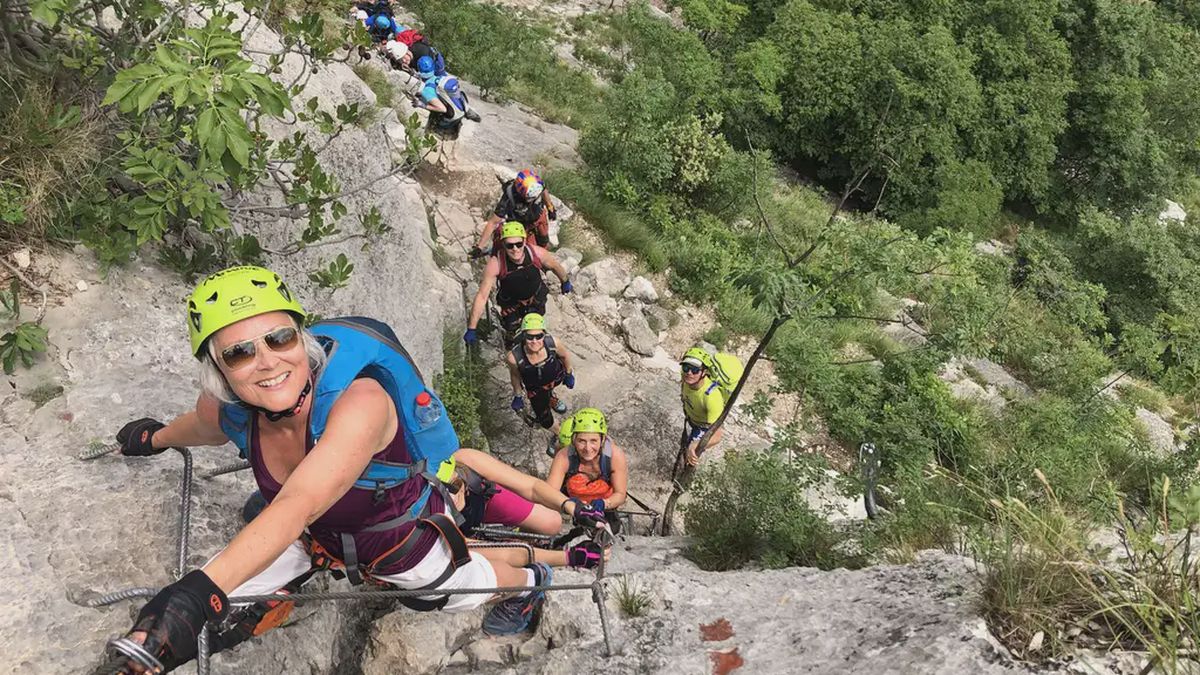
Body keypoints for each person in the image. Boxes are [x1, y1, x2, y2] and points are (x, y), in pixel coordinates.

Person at [97, 266, 611, 672]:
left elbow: (298, 503)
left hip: (397, 540)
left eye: (280, 338)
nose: (267, 361)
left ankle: (533, 579)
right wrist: (154, 439)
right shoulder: (230, 408)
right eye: (239, 352)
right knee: (215, 590)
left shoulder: (361, 402)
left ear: (301, 339)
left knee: (452, 590)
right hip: (315, 535)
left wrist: (193, 598)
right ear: (218, 370)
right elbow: (201, 426)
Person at [440, 451, 605, 570]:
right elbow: (507, 555)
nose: (453, 497)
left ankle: (518, 536)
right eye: (444, 495)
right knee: (502, 571)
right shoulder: (433, 518)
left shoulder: (466, 460)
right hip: (455, 533)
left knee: (552, 522)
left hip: (483, 502)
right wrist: (570, 557)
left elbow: (531, 486)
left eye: (455, 485)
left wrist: (572, 506)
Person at [464, 221, 572, 349]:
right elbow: (482, 296)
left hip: (535, 298)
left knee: (534, 330)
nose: (515, 249)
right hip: (511, 304)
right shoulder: (496, 264)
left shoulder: (536, 253)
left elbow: (555, 266)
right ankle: (513, 345)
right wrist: (472, 328)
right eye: (510, 245)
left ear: (524, 241)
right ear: (503, 245)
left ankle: (535, 350)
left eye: (518, 244)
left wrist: (565, 281)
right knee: (512, 332)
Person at [547, 408, 629, 533]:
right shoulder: (564, 457)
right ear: (574, 440)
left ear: (602, 439)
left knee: (610, 530)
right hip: (573, 505)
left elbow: (620, 494)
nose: (588, 448)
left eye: (593, 441)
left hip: (606, 506)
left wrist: (604, 503)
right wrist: (568, 504)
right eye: (582, 441)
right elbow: (548, 493)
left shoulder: (615, 456)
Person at [505, 313, 575, 432]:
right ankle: (557, 431)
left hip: (555, 377)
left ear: (544, 335)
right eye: (530, 337)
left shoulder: (553, 344)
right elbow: (515, 376)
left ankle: (551, 398)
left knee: (548, 392)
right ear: (523, 335)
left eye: (539, 336)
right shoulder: (514, 357)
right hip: (536, 388)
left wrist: (569, 373)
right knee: (544, 417)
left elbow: (565, 356)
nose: (534, 341)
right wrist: (518, 395)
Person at [470, 169, 556, 257]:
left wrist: (550, 208)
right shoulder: (509, 198)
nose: (533, 199)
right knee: (522, 248)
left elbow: (544, 191)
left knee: (543, 237)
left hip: (537, 217)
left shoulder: (538, 185)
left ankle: (544, 253)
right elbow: (493, 222)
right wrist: (479, 247)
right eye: (530, 198)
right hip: (520, 222)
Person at [679, 347, 725, 467]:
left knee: (690, 454)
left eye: (695, 370)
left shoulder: (712, 397)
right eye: (686, 367)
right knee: (685, 448)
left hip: (704, 426)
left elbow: (717, 435)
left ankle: (686, 474)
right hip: (691, 418)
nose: (689, 373)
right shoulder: (685, 378)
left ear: (704, 372)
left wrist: (696, 444)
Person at [411, 70, 481, 139]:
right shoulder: (439, 78)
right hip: (462, 104)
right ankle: (468, 112)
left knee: (438, 126)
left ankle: (447, 130)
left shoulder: (427, 91)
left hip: (454, 115)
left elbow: (442, 109)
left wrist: (422, 105)